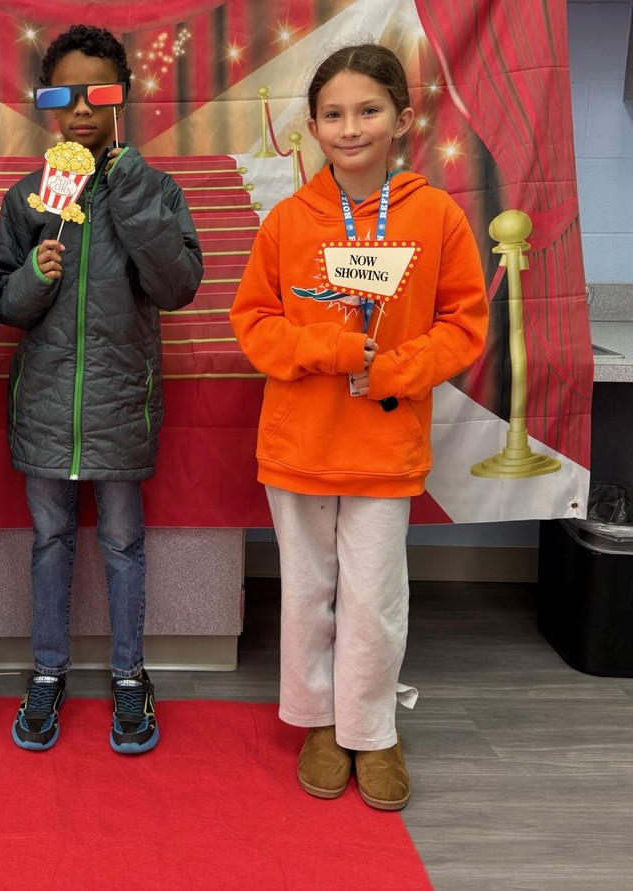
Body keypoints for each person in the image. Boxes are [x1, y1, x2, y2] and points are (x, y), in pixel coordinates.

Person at [230, 43, 488, 809]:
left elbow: (464, 324)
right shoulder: (287, 219)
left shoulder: (436, 215)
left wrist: (391, 369)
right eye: (334, 114)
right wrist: (330, 348)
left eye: (368, 110)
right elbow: (254, 325)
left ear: (403, 120)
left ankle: (371, 727)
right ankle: (317, 719)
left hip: (383, 442)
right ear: (311, 126)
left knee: (374, 597)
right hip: (300, 443)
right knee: (308, 592)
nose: (351, 127)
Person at [0, 25, 203, 754]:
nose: (83, 108)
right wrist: (35, 274)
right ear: (48, 104)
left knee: (122, 541)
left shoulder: (156, 187)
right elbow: (4, 307)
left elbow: (177, 286)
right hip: (46, 407)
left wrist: (130, 190)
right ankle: (47, 672)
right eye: (66, 94)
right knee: (49, 540)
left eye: (99, 93)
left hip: (120, 404)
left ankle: (129, 673)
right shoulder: (28, 195)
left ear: (123, 98)